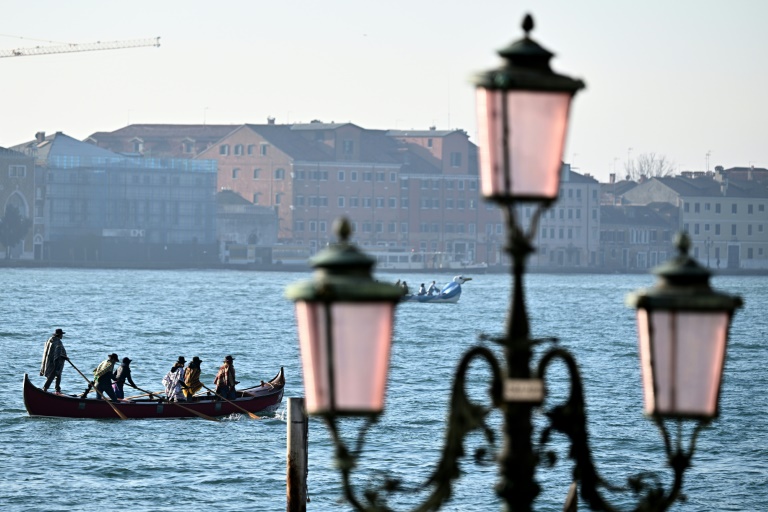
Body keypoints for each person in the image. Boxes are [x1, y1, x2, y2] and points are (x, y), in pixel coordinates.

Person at [40, 328, 68, 394]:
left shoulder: (50, 340)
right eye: (61, 335)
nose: (62, 336)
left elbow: (53, 352)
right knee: (55, 375)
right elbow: (57, 353)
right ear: (59, 335)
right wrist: (64, 357)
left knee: (54, 375)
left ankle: (56, 389)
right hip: (56, 362)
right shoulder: (58, 342)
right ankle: (47, 389)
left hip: (49, 362)